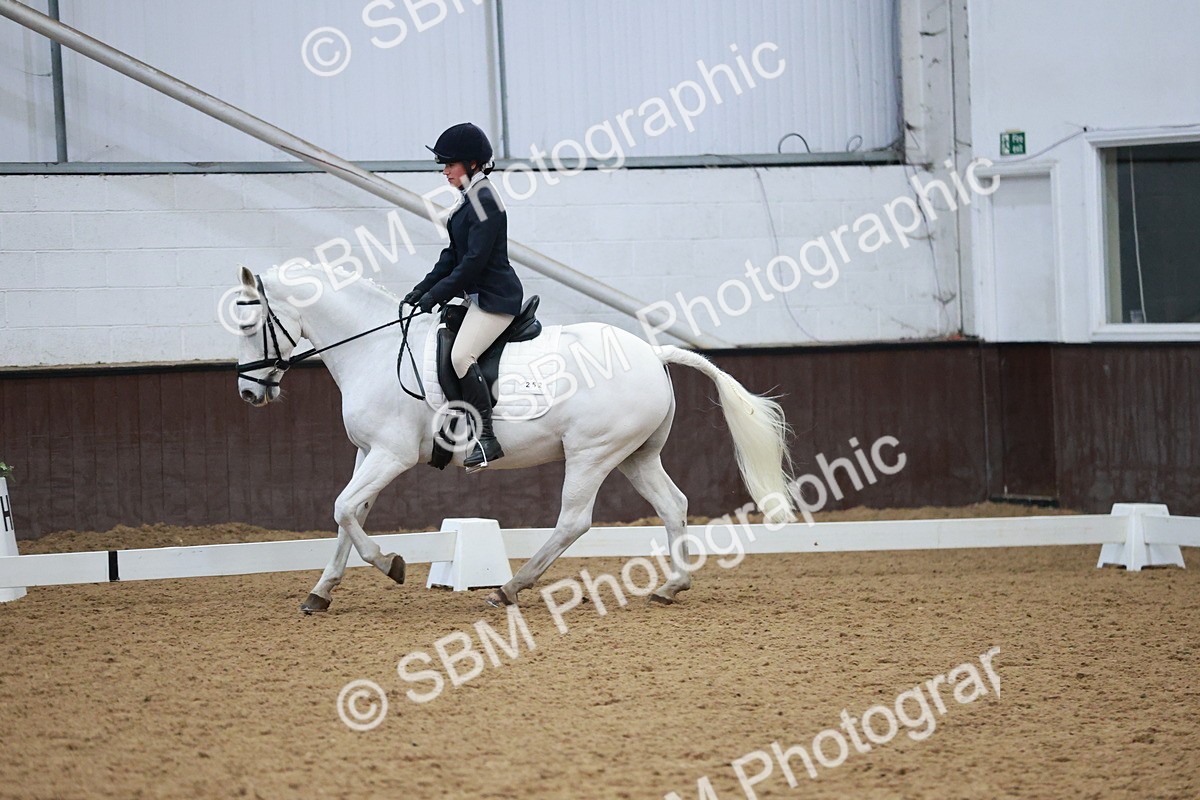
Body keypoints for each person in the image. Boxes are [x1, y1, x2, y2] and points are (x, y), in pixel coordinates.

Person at [403, 123, 524, 470]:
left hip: (495, 299)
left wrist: (436, 295)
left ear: (473, 164)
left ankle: (485, 438)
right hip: (477, 296)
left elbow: (472, 264)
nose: (444, 171)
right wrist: (423, 289)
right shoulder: (469, 199)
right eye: (444, 164)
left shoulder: (485, 201)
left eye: (450, 164)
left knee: (460, 356)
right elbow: (452, 256)